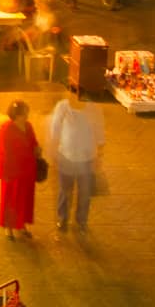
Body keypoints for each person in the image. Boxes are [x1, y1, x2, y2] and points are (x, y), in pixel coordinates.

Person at [46, 82, 104, 233]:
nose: (71, 97)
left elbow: (99, 133)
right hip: (66, 157)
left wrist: (99, 156)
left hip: (87, 159)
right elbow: (55, 129)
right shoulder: (62, 107)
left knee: (84, 193)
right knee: (64, 192)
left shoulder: (93, 109)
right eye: (71, 93)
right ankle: (62, 219)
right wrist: (53, 151)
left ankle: (81, 221)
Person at [0, 99, 40, 241]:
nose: (27, 116)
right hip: (12, 171)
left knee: (24, 199)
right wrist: (6, 172)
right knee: (10, 199)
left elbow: (34, 142)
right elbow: (5, 152)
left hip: (27, 170)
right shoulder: (6, 129)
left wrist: (37, 149)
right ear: (16, 115)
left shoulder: (28, 126)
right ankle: (9, 229)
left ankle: (21, 226)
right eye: (24, 114)